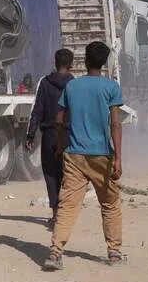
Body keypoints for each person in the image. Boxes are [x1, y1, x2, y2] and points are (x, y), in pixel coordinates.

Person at [43, 40, 125, 270]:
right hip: (102, 155)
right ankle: (114, 253)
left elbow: (59, 119)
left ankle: (55, 252)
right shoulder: (111, 88)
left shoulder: (72, 86)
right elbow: (115, 124)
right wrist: (118, 158)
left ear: (86, 60)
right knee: (110, 204)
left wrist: (60, 146)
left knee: (68, 205)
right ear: (104, 62)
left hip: (74, 155)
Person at [24, 48, 73, 230]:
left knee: (51, 175)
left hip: (50, 136)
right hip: (68, 136)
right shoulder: (74, 84)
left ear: (55, 62)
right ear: (71, 65)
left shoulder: (45, 83)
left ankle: (55, 214)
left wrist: (30, 134)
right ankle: (65, 215)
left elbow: (37, 110)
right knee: (67, 175)